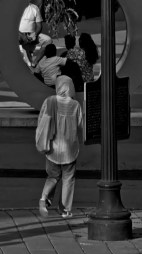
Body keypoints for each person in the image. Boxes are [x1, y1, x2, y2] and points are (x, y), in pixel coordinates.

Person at [35, 75, 83, 220]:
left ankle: (44, 198)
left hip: (52, 148)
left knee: (53, 176)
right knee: (68, 179)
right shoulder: (75, 105)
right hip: (70, 150)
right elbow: (81, 124)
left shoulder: (49, 101)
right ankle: (65, 210)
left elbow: (41, 120)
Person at [18, 0, 42, 66]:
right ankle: (28, 58)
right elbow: (12, 25)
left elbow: (39, 25)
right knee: (24, 40)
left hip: (32, 34)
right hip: (19, 34)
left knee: (48, 40)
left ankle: (34, 60)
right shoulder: (17, 9)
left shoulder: (34, 8)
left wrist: (35, 34)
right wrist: (21, 34)